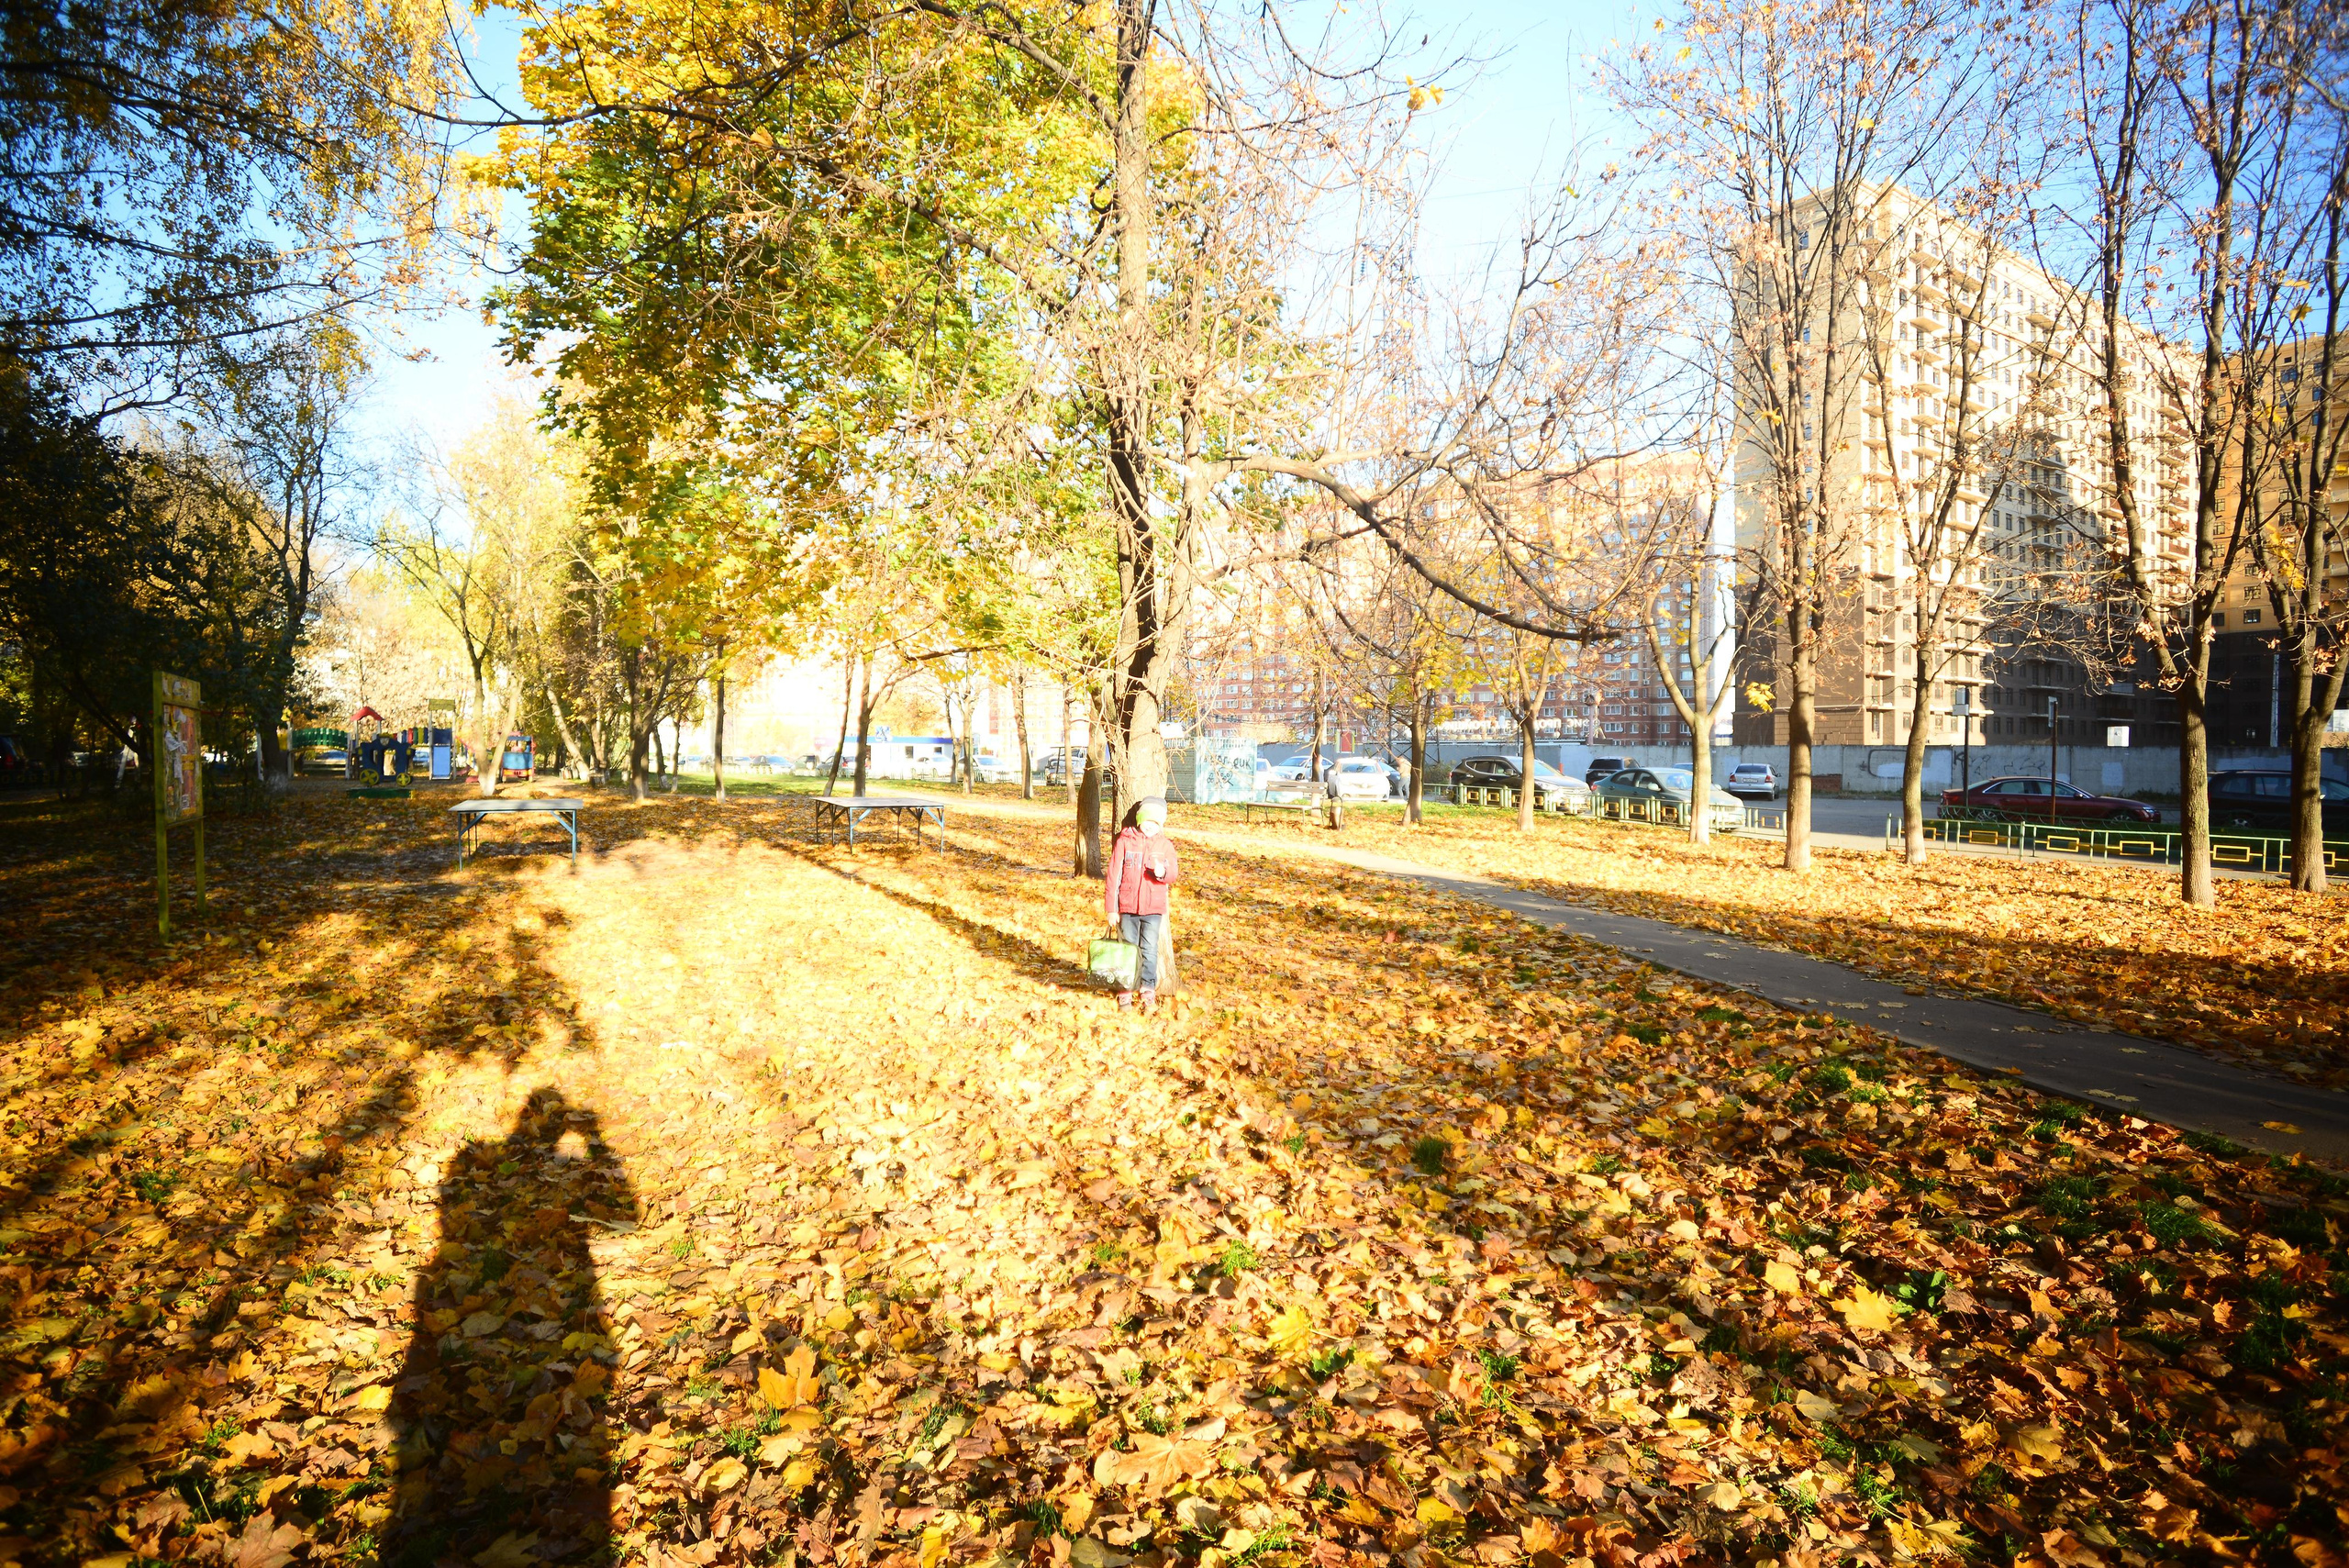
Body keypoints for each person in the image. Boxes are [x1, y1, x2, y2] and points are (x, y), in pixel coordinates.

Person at [1104, 796, 1179, 1013]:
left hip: (1153, 910)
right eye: (1147, 821)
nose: (1150, 826)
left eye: (1155, 823)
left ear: (1160, 825)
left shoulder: (1165, 846)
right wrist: (1112, 908)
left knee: (1149, 949)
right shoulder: (1125, 842)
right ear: (1139, 820)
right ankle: (1125, 991)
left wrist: (1162, 872)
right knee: (1128, 949)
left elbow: (1173, 872)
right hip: (1127, 907)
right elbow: (1113, 876)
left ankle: (1148, 990)